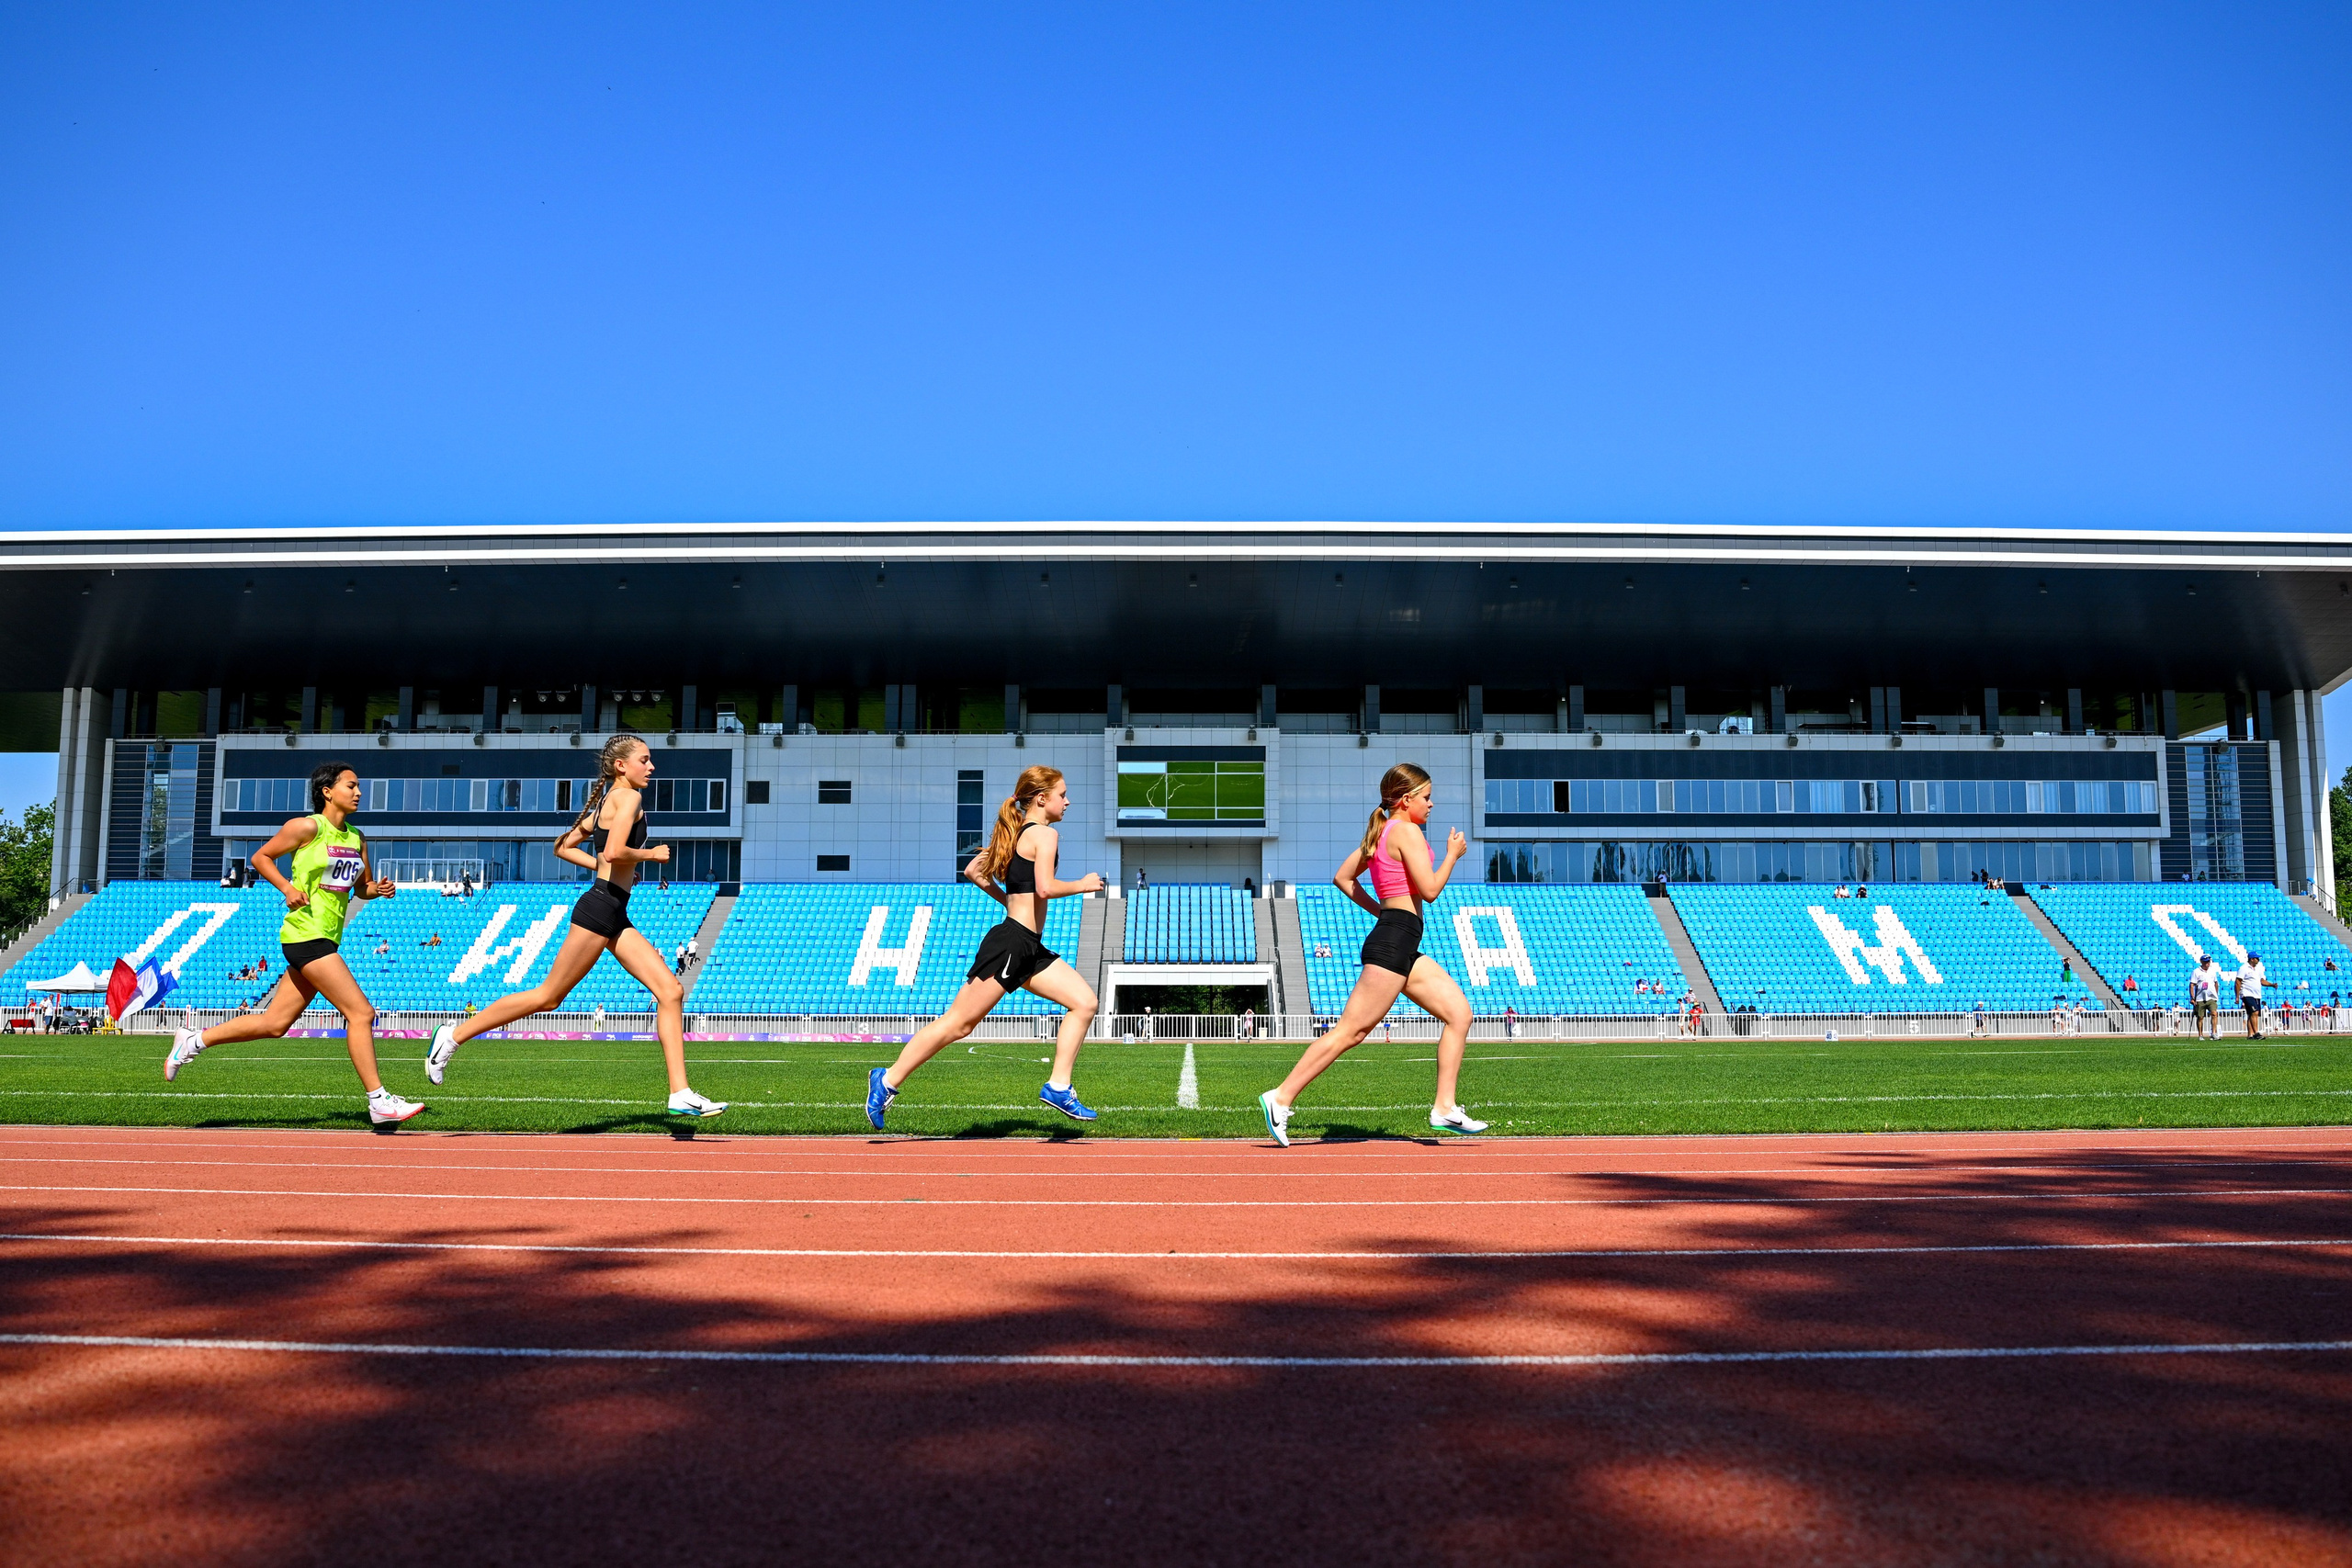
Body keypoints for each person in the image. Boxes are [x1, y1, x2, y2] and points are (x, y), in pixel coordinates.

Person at [425, 735, 727, 1118]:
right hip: (601, 909)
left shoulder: (609, 800)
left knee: (670, 990)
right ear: (622, 765)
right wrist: (649, 855)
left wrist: (614, 871)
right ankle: (452, 1035)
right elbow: (615, 852)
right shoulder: (629, 798)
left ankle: (680, 1092)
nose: (651, 768)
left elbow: (564, 847)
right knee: (549, 997)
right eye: (645, 760)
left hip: (614, 908)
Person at [164, 761, 422, 1124]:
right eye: (351, 786)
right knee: (361, 1013)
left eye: (359, 786)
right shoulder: (306, 827)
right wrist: (287, 887)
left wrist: (376, 890)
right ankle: (379, 1102)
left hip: (328, 936)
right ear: (327, 791)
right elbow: (261, 857)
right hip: (305, 935)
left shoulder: (357, 838)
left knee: (275, 1023)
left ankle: (192, 1041)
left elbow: (360, 887)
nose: (359, 792)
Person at [1258, 762, 1482, 1145]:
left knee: (1459, 1014)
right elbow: (1429, 890)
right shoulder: (1407, 830)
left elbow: (1343, 878)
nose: (1432, 804)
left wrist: (1383, 911)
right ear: (1407, 799)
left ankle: (1444, 1107)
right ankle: (1280, 1097)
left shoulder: (1382, 831)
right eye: (1427, 798)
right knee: (1352, 1031)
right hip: (1394, 941)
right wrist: (1452, 856)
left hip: (1401, 938)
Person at [867, 765, 1104, 1127]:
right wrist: (1083, 884)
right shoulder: (1043, 834)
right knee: (959, 1025)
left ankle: (1059, 1086)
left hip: (1029, 946)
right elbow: (1043, 888)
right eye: (1062, 795)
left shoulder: (1014, 833)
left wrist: (1010, 901)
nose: (1067, 802)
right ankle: (886, 1081)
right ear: (1042, 799)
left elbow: (974, 872)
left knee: (1085, 1002)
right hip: (1012, 944)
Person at [2236, 951, 2274, 1039]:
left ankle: (2250, 1035)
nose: (2258, 960)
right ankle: (2256, 1033)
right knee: (2255, 1012)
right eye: (2257, 958)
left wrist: (2271, 985)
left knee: (2251, 1014)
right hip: (2247, 993)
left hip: (2257, 994)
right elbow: (2238, 982)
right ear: (2252, 959)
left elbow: (2262, 981)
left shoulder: (2258, 969)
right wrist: (2237, 996)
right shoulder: (2244, 968)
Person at [2189, 955, 2220, 1039]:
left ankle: (2213, 1033)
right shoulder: (2196, 972)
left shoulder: (2212, 971)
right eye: (2206, 962)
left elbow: (2216, 983)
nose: (2207, 964)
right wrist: (2192, 997)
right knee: (2200, 1017)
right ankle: (2200, 1034)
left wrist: (2215, 995)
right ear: (2202, 962)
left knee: (2214, 1013)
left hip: (2211, 998)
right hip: (2200, 998)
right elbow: (2192, 985)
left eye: (2208, 962)